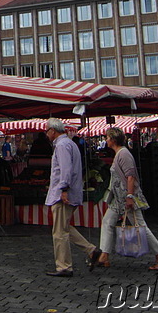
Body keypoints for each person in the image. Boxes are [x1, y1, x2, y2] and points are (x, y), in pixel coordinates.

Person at [96, 128, 158, 270]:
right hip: (117, 199)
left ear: (113, 139)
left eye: (107, 137)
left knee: (140, 226)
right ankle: (104, 256)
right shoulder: (119, 154)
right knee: (107, 222)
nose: (106, 140)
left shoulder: (124, 154)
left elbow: (131, 176)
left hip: (126, 198)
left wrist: (130, 197)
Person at [44, 118, 101, 277]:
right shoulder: (70, 144)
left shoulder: (61, 145)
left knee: (59, 232)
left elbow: (65, 170)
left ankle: (64, 266)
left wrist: (63, 189)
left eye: (47, 131)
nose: (46, 134)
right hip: (71, 191)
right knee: (64, 226)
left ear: (52, 131)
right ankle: (91, 250)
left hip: (63, 193)